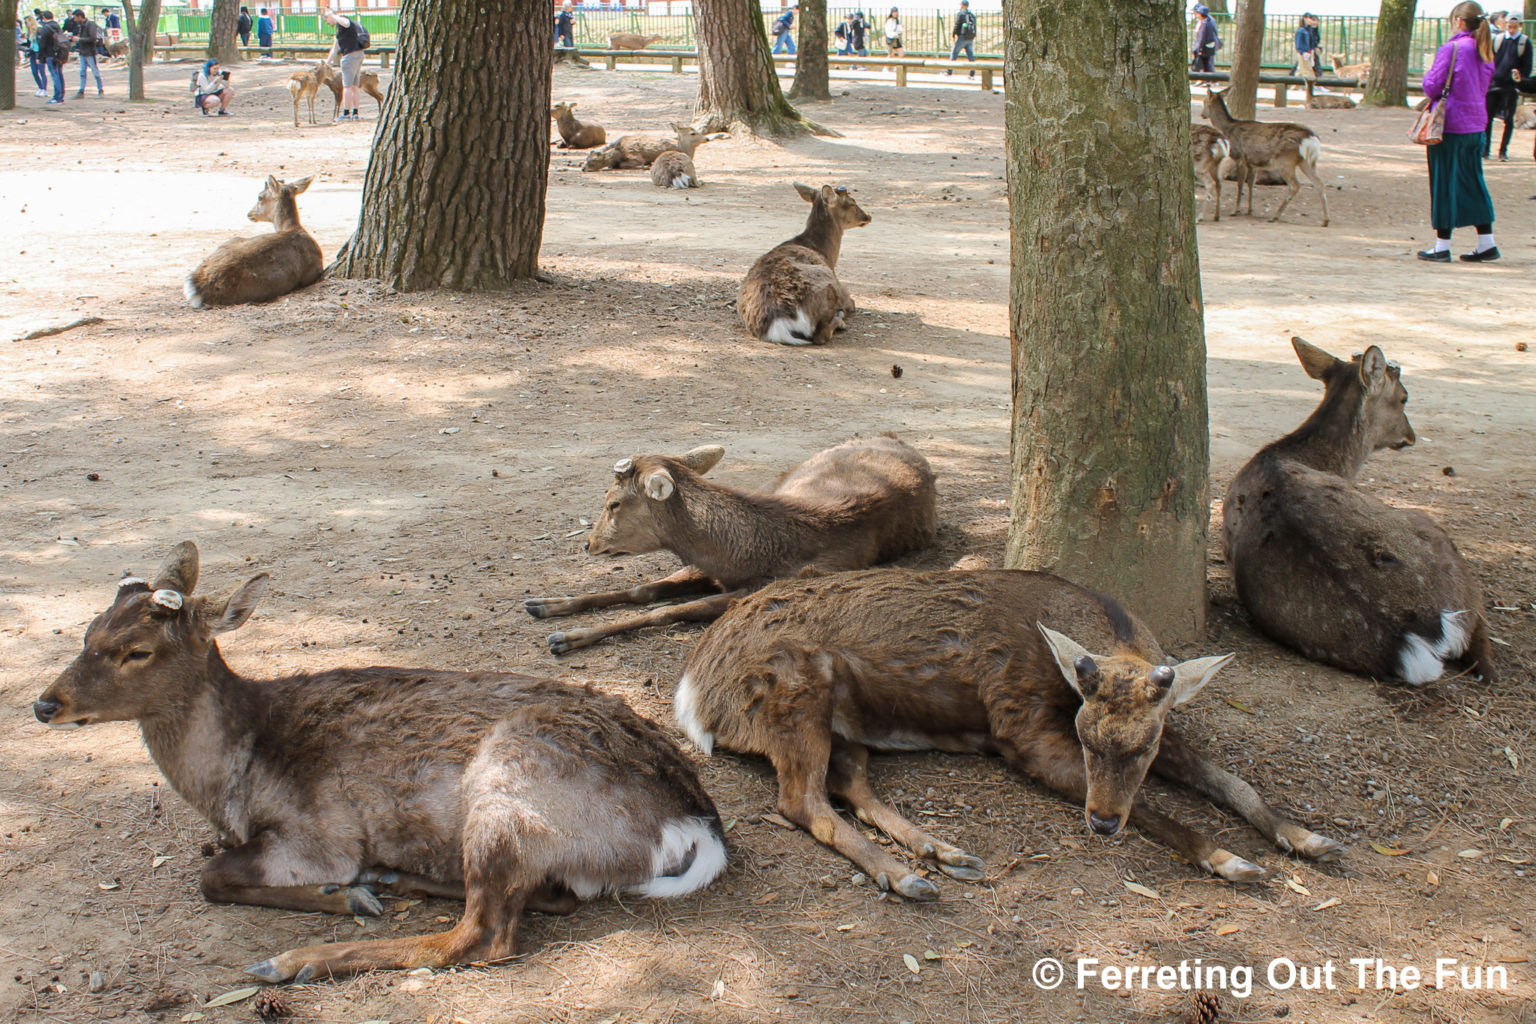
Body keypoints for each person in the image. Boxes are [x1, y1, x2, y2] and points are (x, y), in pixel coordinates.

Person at [1417, 1, 1498, 262]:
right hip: (1476, 124)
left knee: (1444, 182)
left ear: (1460, 21)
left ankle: (1442, 246)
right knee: (1473, 181)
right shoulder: (1485, 50)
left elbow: (1432, 87)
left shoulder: (1451, 48)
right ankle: (1486, 242)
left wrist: (1426, 76)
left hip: (1450, 125)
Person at [1485, 13, 1530, 160]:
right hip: (1494, 85)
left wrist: (1520, 80)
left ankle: (1503, 150)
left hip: (1510, 87)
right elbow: (1490, 60)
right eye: (1509, 26)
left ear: (1520, 26)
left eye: (1514, 26)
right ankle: (1485, 150)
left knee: (1508, 119)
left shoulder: (1524, 42)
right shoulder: (1498, 40)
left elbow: (1527, 67)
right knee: (1488, 118)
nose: (1511, 29)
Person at [323, 6, 367, 122]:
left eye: (326, 19)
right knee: (354, 86)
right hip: (359, 54)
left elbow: (347, 23)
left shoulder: (342, 21)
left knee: (347, 86)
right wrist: (327, 63)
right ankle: (355, 113)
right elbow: (335, 48)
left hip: (350, 57)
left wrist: (332, 15)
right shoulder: (340, 29)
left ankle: (346, 113)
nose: (327, 22)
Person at [37, 10, 68, 105]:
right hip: (60, 54)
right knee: (59, 74)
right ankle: (61, 95)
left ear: (44, 18)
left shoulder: (45, 29)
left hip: (50, 55)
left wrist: (40, 57)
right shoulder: (57, 27)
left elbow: (42, 45)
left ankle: (57, 97)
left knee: (55, 76)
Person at [69, 9, 102, 96]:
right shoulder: (82, 25)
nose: (75, 20)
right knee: (83, 72)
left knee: (94, 71)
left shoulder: (90, 24)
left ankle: (100, 89)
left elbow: (92, 38)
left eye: (75, 18)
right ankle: (82, 90)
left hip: (89, 52)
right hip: (83, 51)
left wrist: (79, 39)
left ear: (80, 17)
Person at [947, 0, 976, 76]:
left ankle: (949, 71)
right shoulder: (972, 15)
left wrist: (954, 34)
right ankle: (972, 73)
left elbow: (957, 25)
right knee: (970, 55)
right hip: (970, 38)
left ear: (962, 5)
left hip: (962, 37)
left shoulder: (961, 14)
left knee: (954, 53)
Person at [25, 14, 48, 98]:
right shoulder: (29, 32)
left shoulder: (39, 30)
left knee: (42, 71)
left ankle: (44, 89)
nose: (25, 24)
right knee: (34, 71)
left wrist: (40, 56)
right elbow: (30, 43)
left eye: (26, 22)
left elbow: (42, 43)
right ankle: (40, 87)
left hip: (39, 52)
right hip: (32, 52)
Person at [1191, 5, 1219, 73]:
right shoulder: (1208, 21)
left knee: (1207, 64)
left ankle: (1211, 80)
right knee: (1207, 64)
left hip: (1206, 46)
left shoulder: (1205, 23)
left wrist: (1197, 48)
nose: (1196, 15)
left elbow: (1202, 37)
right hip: (1208, 45)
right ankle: (1207, 80)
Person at [1293, 12, 1321, 79]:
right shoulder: (1301, 30)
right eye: (1309, 19)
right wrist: (1303, 52)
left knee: (1301, 70)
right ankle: (1311, 85)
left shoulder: (1309, 30)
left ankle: (1295, 86)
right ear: (1305, 19)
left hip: (1308, 52)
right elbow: (1299, 43)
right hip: (1304, 52)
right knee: (1307, 70)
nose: (1311, 21)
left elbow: (1313, 40)